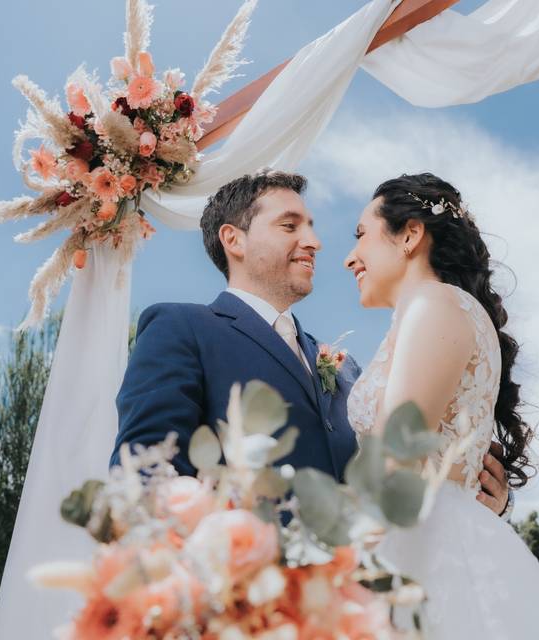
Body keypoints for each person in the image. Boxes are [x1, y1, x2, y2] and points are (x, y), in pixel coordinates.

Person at [111, 170, 511, 514]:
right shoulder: (181, 328)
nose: (315, 242)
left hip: (360, 584)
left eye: (312, 227)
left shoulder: (349, 368)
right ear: (234, 239)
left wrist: (468, 502)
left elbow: (404, 464)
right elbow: (146, 476)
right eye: (290, 226)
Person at [344, 172, 539, 638]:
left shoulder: (433, 304)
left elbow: (394, 459)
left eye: (361, 235)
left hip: (419, 551)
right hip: (443, 539)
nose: (349, 257)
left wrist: (327, 568)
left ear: (411, 235)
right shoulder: (439, 310)